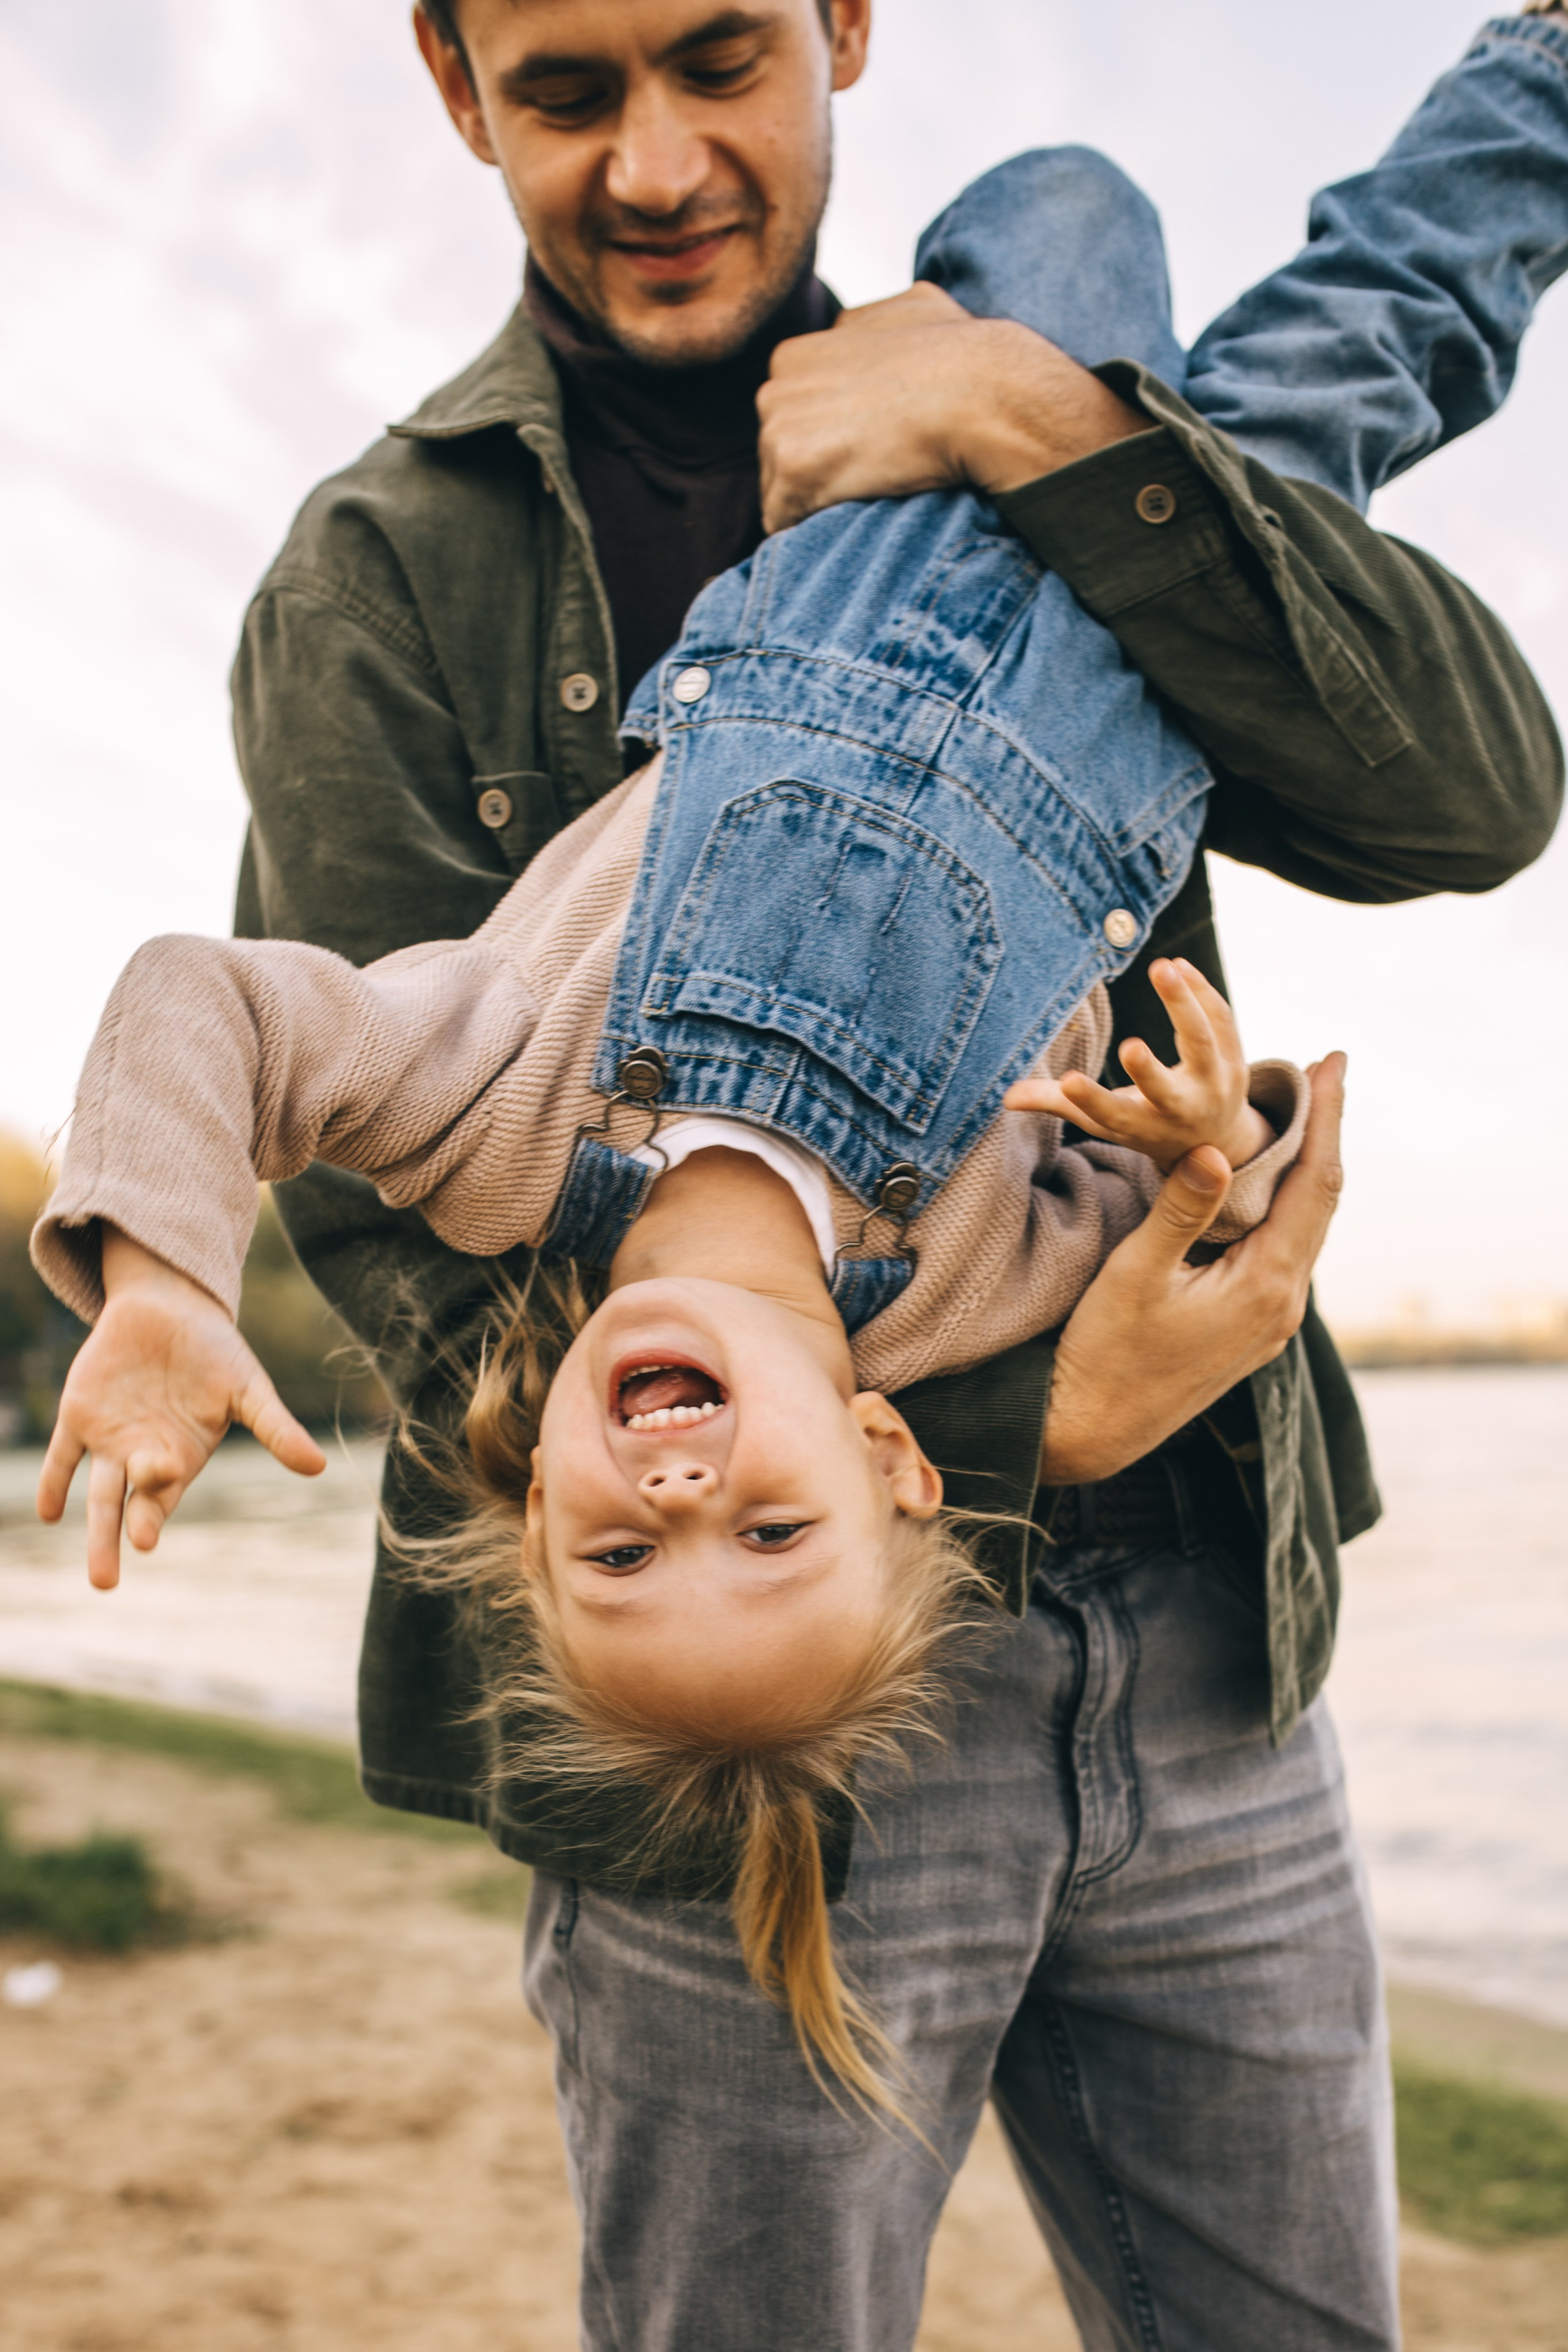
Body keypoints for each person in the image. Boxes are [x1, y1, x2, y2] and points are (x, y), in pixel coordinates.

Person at [54, 3, 1559, 2345]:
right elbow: (1173, 1199)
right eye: (569, 92)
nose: (657, 161)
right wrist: (1180, 1207)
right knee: (1296, 290)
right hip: (754, 1775)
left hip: (1205, 1663)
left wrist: (1035, 428)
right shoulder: (380, 573)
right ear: (454, 86)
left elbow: (1472, 793)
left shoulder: (510, 1111)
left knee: (1135, 256)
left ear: (846, 22)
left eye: (719, 56)